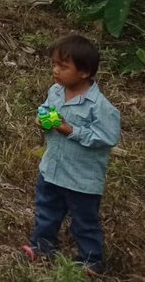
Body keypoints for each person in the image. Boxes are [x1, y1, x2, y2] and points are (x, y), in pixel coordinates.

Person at [22, 33, 121, 273]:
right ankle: (42, 247)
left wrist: (69, 130)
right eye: (54, 65)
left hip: (81, 178)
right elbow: (46, 109)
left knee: (84, 221)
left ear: (84, 72)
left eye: (63, 66)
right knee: (47, 211)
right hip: (52, 169)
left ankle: (90, 260)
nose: (56, 70)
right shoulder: (56, 91)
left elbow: (107, 137)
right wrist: (43, 119)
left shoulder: (99, 106)